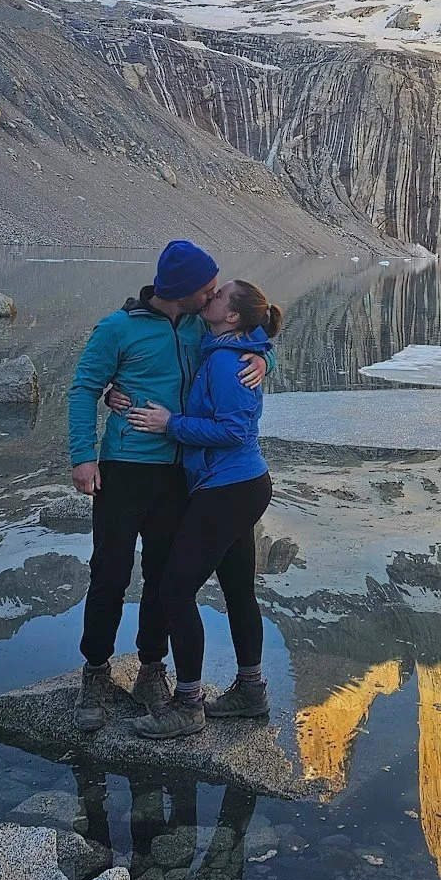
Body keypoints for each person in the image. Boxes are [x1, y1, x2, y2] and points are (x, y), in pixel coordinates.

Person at [66, 241, 273, 733]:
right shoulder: (118, 328)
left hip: (180, 473)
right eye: (207, 287)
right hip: (124, 467)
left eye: (215, 289)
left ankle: (151, 669)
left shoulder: (204, 325)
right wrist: (82, 457)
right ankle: (94, 673)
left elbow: (251, 334)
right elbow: (83, 388)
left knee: (163, 578)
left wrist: (265, 360)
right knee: (110, 573)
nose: (213, 293)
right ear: (183, 290)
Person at [123, 277, 282, 740]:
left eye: (219, 295)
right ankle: (251, 692)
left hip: (228, 488)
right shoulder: (230, 349)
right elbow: (147, 303)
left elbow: (234, 430)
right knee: (237, 591)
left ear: (232, 316)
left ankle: (187, 705)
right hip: (241, 485)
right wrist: (264, 354)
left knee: (174, 589)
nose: (208, 297)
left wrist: (171, 424)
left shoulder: (227, 363)